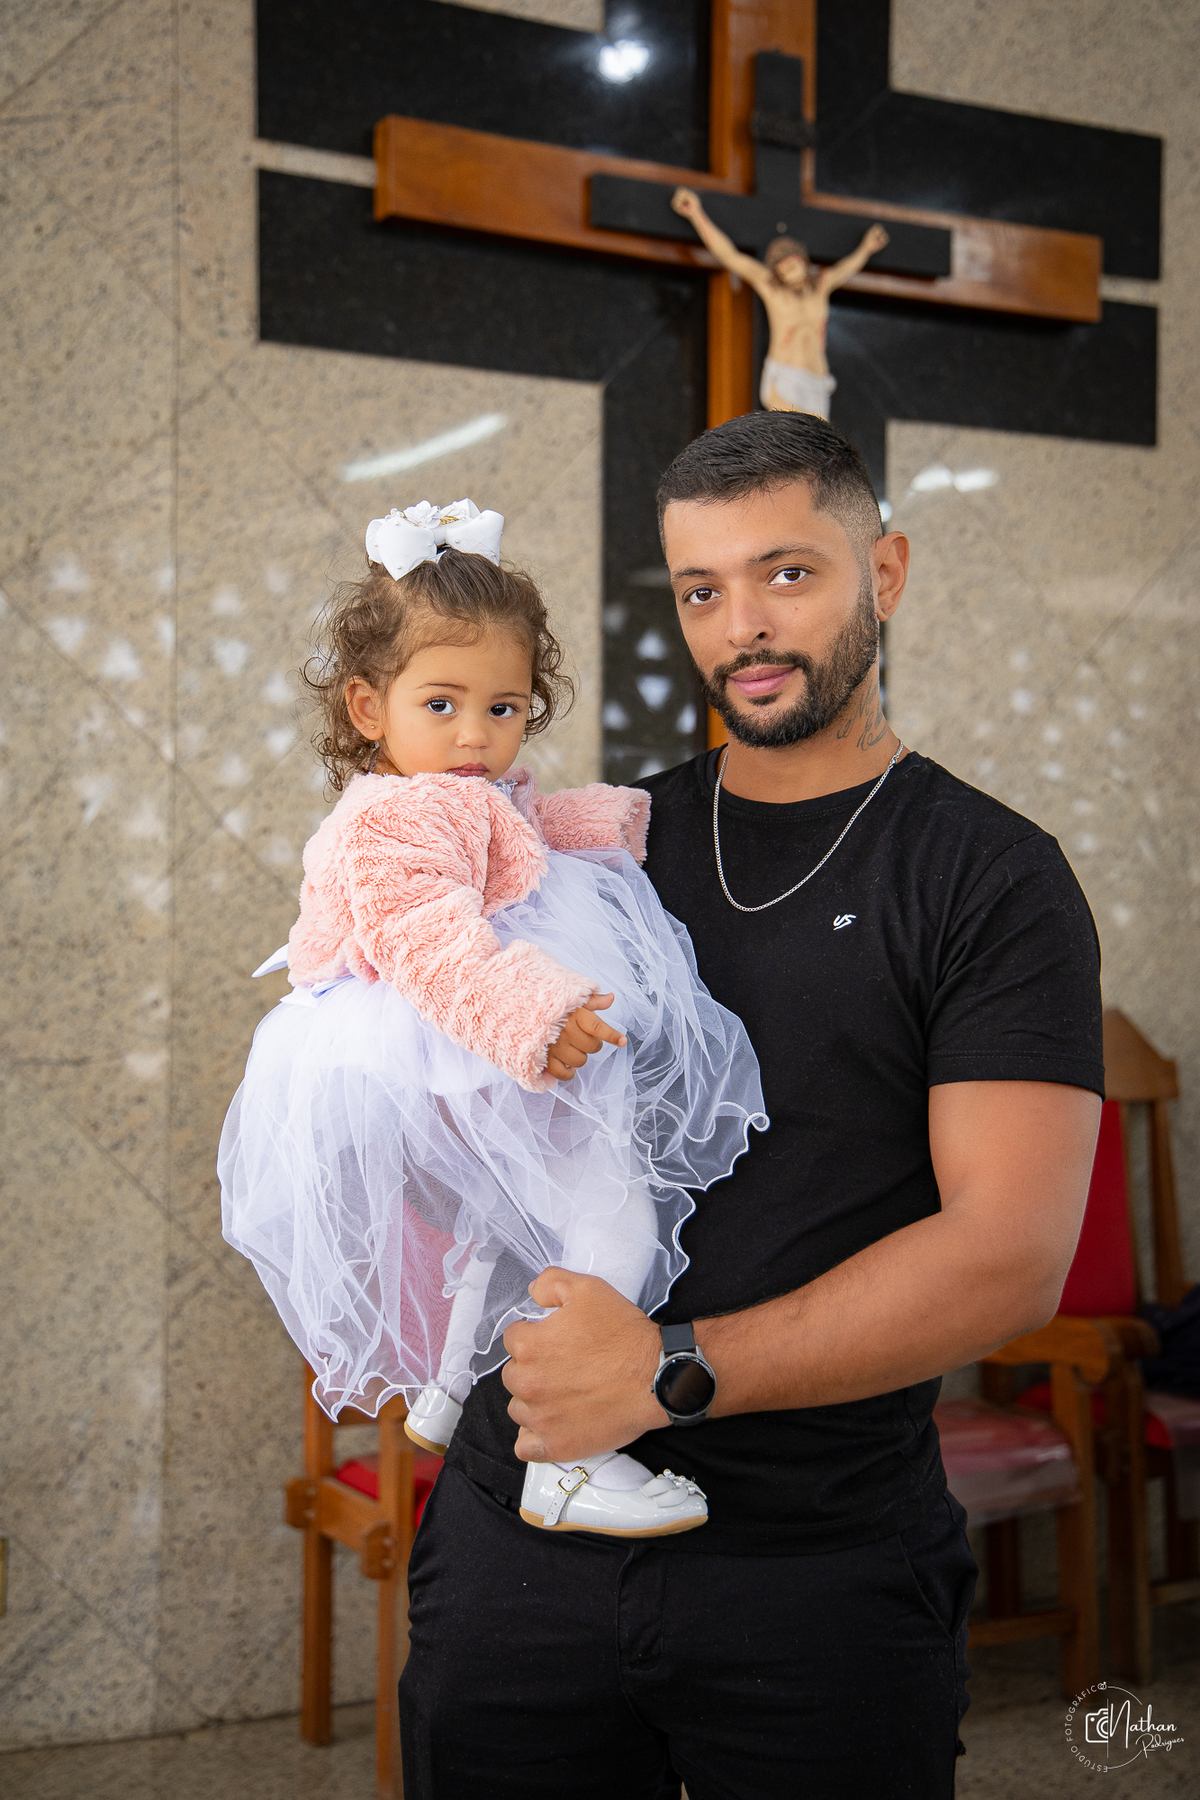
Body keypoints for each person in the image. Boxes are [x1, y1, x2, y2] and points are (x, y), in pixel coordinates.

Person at [399, 418, 1105, 1798]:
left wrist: (667, 1369)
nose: (744, 628)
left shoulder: (990, 878)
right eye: (701, 589)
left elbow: (1010, 1254)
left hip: (814, 1570)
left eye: (788, 573)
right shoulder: (594, 849)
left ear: (884, 573)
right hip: (518, 1538)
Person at [218, 498, 766, 1540]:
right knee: (613, 1214)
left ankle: (446, 1388)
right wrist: (534, 1015)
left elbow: (512, 829)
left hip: (445, 1036)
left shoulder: (446, 791)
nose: (476, 735)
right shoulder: (395, 820)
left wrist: (591, 820)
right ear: (368, 707)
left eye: (505, 707)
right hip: (445, 1025)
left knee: (502, 1219)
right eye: (443, 704)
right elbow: (429, 939)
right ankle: (567, 1455)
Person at [672, 186, 889, 418]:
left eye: (793, 266)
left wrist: (867, 248)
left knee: (818, 439)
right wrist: (696, 214)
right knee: (792, 434)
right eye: (783, 271)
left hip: (817, 382)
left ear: (803, 261)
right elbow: (729, 256)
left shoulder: (821, 285)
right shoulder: (772, 288)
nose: (790, 274)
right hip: (786, 377)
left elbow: (846, 268)